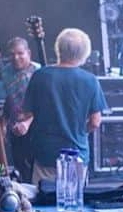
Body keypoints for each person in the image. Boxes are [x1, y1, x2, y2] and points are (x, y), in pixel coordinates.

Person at [19, 27, 107, 185]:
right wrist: (79, 131)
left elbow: (27, 114)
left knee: (43, 204)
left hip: (45, 154)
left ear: (58, 49)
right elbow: (95, 122)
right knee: (73, 202)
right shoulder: (91, 80)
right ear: (85, 54)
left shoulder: (40, 76)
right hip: (76, 153)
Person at [1, 37, 39, 179]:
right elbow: (9, 98)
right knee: (19, 167)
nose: (16, 57)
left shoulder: (39, 72)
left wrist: (27, 122)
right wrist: (4, 122)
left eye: (20, 53)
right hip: (15, 127)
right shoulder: (6, 72)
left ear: (28, 53)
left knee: (34, 168)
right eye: (12, 54)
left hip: (36, 127)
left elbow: (44, 103)